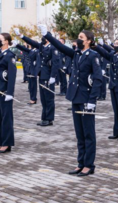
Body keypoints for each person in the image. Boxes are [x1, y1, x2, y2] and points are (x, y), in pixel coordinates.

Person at [39, 25, 103, 176]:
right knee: (79, 133)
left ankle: (89, 165)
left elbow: (98, 79)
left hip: (87, 99)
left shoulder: (93, 55)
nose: (78, 40)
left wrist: (92, 100)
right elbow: (60, 47)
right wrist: (47, 35)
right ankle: (80, 163)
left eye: (81, 38)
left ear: (89, 41)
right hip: (76, 97)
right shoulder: (77, 54)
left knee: (88, 134)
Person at [14, 28, 60, 126]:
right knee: (43, 98)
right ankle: (44, 118)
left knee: (49, 98)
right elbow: (32, 43)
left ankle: (49, 118)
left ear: (48, 38)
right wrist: (21, 36)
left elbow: (55, 63)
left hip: (48, 76)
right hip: (42, 75)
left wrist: (53, 76)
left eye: (44, 36)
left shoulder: (53, 47)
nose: (42, 38)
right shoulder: (42, 46)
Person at [94, 39, 118, 141]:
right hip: (113, 86)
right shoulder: (113, 55)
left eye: (117, 44)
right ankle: (117, 132)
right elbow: (104, 53)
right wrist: (97, 45)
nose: (115, 45)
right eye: (114, 43)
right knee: (116, 110)